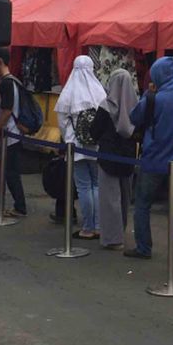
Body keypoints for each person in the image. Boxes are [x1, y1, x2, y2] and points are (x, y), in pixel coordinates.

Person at [125, 56, 173, 263]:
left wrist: (148, 94)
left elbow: (134, 117)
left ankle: (144, 247)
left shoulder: (154, 98)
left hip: (153, 161)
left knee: (142, 203)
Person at [89, 69, 140, 251]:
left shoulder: (106, 105)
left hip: (108, 156)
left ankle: (112, 237)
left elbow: (94, 131)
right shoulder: (135, 105)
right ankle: (122, 230)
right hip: (128, 156)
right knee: (125, 197)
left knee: (110, 198)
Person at [57, 55, 106, 240]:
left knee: (83, 187)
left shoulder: (69, 92)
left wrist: (70, 136)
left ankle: (87, 227)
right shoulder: (99, 91)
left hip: (75, 147)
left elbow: (62, 122)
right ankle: (99, 226)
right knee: (97, 185)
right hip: (96, 145)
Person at [0, 48, 37, 218]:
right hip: (8, 134)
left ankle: (20, 206)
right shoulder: (12, 81)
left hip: (10, 135)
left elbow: (6, 111)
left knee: (10, 171)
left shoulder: (7, 83)